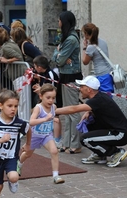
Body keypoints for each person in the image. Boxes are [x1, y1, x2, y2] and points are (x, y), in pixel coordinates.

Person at [55, 76, 127, 167]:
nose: (80, 89)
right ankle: (100, 155)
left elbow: (74, 108)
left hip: (121, 134)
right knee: (90, 124)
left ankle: (116, 152)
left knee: (85, 139)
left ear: (89, 89)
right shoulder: (99, 97)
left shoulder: (97, 100)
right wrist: (89, 112)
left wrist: (54, 111)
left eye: (82, 87)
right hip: (116, 131)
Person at [17, 84, 64, 184]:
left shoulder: (53, 107)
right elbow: (31, 122)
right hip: (35, 136)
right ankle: (19, 164)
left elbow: (51, 116)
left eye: (53, 98)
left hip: (47, 135)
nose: (51, 101)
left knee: (54, 151)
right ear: (41, 96)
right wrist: (45, 119)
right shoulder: (38, 108)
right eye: (48, 98)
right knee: (27, 154)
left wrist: (53, 119)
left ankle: (56, 176)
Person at [52, 11, 83, 154]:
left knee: (73, 112)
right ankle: (66, 142)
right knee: (67, 111)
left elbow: (59, 60)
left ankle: (75, 144)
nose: (58, 23)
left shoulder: (71, 39)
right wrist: (59, 54)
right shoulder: (65, 38)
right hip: (65, 76)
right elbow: (57, 56)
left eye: (59, 20)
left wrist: (60, 55)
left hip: (71, 77)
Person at [31, 55, 62, 146]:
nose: (34, 68)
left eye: (35, 66)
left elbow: (51, 89)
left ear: (39, 67)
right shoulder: (43, 74)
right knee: (48, 118)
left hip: (54, 100)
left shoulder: (50, 74)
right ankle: (45, 135)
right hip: (46, 99)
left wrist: (40, 91)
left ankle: (57, 139)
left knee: (55, 118)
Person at [81, 23, 114, 93]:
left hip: (101, 75)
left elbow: (85, 61)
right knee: (107, 97)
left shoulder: (91, 47)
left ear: (86, 34)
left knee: (103, 99)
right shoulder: (103, 42)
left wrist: (84, 48)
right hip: (108, 74)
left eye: (84, 33)